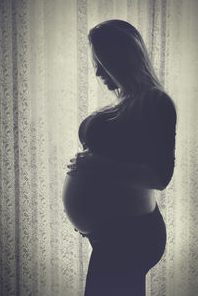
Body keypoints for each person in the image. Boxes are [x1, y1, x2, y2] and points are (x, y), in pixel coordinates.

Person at [65, 19, 177, 296]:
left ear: (125, 58)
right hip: (114, 233)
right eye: (96, 63)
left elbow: (159, 177)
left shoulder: (155, 101)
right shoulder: (124, 102)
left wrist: (96, 166)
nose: (98, 72)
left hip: (131, 235)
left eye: (104, 62)